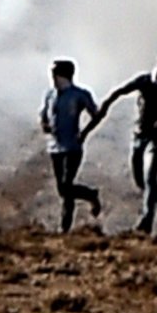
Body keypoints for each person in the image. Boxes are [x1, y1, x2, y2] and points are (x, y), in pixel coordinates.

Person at [100, 56, 157, 233]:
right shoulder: (144, 81)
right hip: (138, 137)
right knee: (140, 181)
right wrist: (108, 102)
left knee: (150, 179)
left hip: (156, 141)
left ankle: (146, 222)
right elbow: (123, 90)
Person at [40, 59, 104, 231]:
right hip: (55, 147)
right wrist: (45, 125)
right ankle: (87, 197)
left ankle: (66, 225)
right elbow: (43, 115)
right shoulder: (50, 94)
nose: (52, 78)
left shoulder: (79, 94)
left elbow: (96, 114)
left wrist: (84, 133)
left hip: (73, 147)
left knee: (67, 185)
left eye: (55, 74)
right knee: (63, 189)